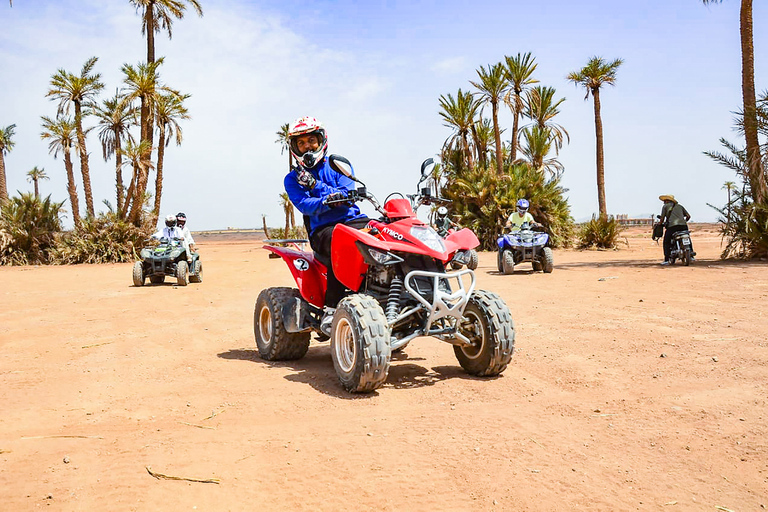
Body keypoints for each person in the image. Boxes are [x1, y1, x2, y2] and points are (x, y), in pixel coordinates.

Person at [283, 116, 369, 334]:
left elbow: (347, 194)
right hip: (323, 230)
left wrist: (316, 186)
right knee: (340, 241)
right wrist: (327, 201)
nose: (306, 146)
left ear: (321, 140)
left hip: (354, 220)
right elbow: (305, 205)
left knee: (386, 235)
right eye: (300, 143)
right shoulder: (292, 179)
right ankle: (332, 308)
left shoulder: (338, 164)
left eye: (311, 140)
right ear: (294, 147)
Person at [658, 194, 695, 265]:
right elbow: (688, 216)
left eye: (664, 201)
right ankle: (691, 255)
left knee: (666, 241)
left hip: (672, 226)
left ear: (667, 201)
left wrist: (659, 223)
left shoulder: (665, 207)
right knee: (687, 238)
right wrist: (684, 221)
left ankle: (666, 259)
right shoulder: (680, 206)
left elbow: (662, 218)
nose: (663, 202)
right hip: (683, 226)